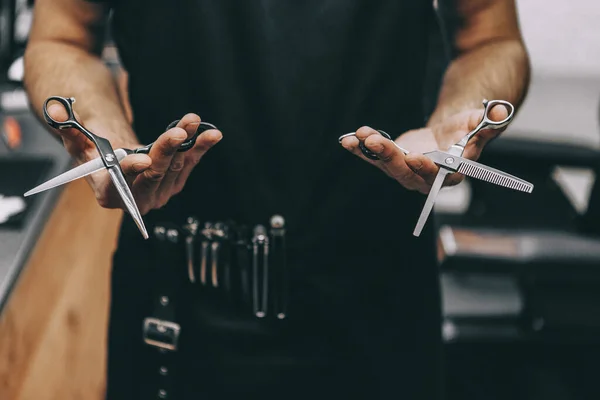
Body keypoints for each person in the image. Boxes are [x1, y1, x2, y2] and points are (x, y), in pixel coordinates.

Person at [23, 0, 530, 398]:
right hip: (179, 301)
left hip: (378, 297)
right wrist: (99, 135)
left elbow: (490, 38)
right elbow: (62, 36)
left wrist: (463, 118)